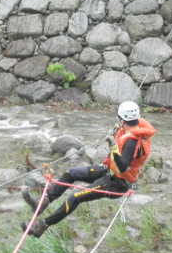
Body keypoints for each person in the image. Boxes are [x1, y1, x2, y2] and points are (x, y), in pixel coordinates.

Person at [20, 101, 157, 238]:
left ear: (122, 119)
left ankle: (42, 226)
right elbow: (122, 139)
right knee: (71, 173)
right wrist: (116, 133)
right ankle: (44, 202)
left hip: (116, 184)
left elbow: (121, 168)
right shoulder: (129, 129)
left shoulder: (132, 142)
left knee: (74, 197)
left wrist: (113, 147)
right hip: (108, 172)